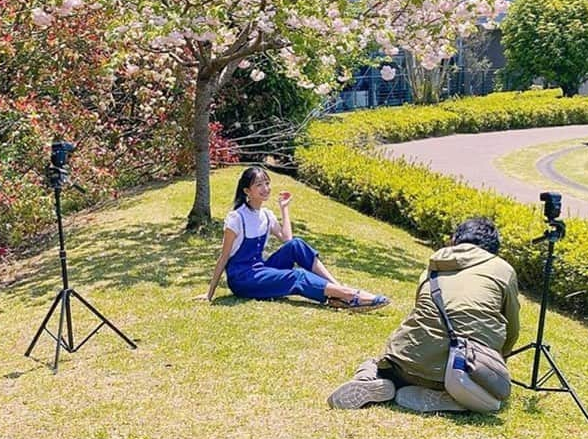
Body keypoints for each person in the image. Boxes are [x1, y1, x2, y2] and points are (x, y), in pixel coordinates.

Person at [327, 217, 520, 412]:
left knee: (374, 363)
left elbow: (421, 309)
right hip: (464, 370)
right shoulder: (503, 270)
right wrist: (498, 360)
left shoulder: (435, 263)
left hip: (406, 364)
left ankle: (369, 378)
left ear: (455, 239)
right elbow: (512, 329)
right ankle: (450, 399)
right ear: (495, 248)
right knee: (486, 396)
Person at [200, 166, 390, 311]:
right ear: (247, 191)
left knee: (296, 245)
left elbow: (287, 239)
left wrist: (284, 208)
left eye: (267, 183)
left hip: (260, 270)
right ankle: (349, 295)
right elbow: (223, 258)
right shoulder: (236, 218)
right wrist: (210, 295)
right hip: (243, 280)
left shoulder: (266, 214)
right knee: (297, 276)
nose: (265, 188)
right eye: (259, 185)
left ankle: (337, 289)